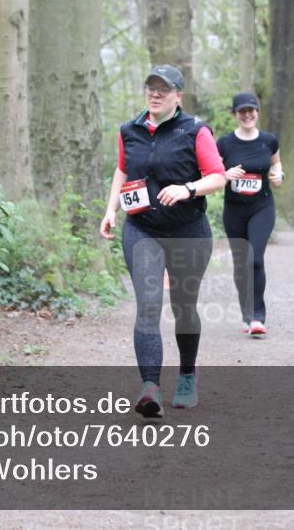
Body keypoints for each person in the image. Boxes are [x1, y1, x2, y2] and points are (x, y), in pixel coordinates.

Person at [100, 65, 226, 418]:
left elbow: (217, 177)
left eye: (163, 89)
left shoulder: (195, 131)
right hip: (142, 229)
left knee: (183, 307)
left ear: (178, 96)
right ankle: (150, 387)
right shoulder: (130, 131)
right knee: (149, 306)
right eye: (150, 88)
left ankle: (187, 374)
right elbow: (122, 169)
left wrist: (187, 189)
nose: (155, 94)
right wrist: (110, 210)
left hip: (188, 231)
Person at [216, 92, 282, 337]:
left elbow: (276, 163)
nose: (247, 115)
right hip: (234, 210)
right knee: (241, 264)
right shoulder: (224, 144)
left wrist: (278, 175)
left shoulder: (268, 140)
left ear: (257, 111)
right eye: (242, 111)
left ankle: (257, 316)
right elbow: (211, 174)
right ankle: (246, 312)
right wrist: (225, 175)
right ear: (235, 114)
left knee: (255, 258)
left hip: (261, 207)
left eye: (251, 110)